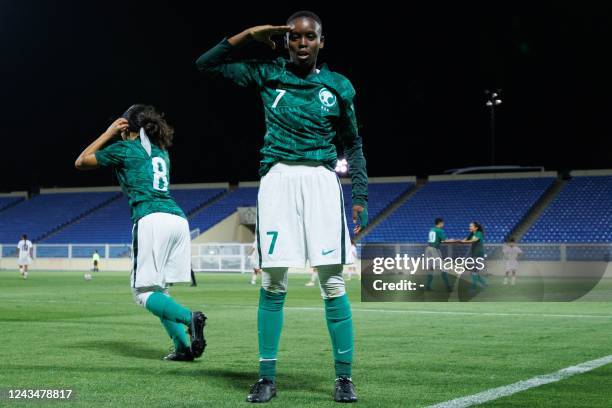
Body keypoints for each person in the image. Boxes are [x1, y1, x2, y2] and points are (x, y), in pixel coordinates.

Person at [196, 10, 367, 403]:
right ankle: (266, 376)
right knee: (273, 283)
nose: (302, 43)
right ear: (286, 42)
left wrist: (360, 198)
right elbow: (206, 65)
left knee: (333, 283)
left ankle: (343, 378)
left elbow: (353, 145)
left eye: (309, 37)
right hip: (277, 180)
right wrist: (250, 34)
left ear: (322, 42)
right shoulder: (266, 73)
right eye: (295, 37)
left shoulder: (339, 86)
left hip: (322, 181)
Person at [74, 104, 206, 362]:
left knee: (143, 293)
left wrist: (108, 132)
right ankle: (182, 348)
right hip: (177, 219)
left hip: (151, 218)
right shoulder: (161, 152)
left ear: (126, 127)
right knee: (160, 291)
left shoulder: (125, 148)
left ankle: (188, 317)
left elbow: (81, 161)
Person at [424, 218, 455, 292]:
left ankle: (427, 286)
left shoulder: (432, 229)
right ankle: (448, 287)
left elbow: (437, 239)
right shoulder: (440, 230)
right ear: (440, 223)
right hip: (434, 249)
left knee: (431, 268)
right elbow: (445, 240)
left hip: (428, 249)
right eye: (443, 223)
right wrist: (452, 240)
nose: (443, 225)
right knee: (443, 268)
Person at [460, 222, 488, 292]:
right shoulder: (472, 233)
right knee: (474, 271)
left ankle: (474, 288)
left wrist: (465, 242)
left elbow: (474, 240)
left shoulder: (478, 233)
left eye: (471, 226)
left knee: (474, 271)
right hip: (473, 254)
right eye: (469, 226)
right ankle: (484, 283)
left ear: (476, 228)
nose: (469, 227)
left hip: (478, 255)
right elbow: (466, 239)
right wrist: (461, 241)